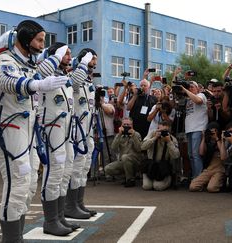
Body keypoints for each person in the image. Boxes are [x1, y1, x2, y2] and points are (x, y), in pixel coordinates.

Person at [0, 20, 68, 242]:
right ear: (26, 39)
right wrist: (35, 85)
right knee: (18, 180)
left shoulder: (29, 66)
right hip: (4, 125)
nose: (41, 45)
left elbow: (38, 74)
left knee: (28, 184)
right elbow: (7, 81)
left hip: (24, 128)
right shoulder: (5, 61)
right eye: (39, 40)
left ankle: (16, 234)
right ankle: (11, 239)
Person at [35, 42, 80, 235]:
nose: (70, 57)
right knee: (54, 171)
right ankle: (50, 220)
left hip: (66, 130)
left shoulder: (65, 76)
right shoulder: (46, 73)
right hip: (52, 128)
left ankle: (60, 216)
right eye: (66, 54)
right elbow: (40, 72)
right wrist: (55, 55)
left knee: (65, 169)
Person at [65, 48, 98, 220]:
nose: (95, 63)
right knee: (77, 166)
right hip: (76, 129)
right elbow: (74, 85)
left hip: (88, 129)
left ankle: (78, 202)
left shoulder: (89, 82)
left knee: (84, 167)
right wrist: (82, 64)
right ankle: (70, 206)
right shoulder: (74, 78)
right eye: (92, 60)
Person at [104, 117, 144, 187]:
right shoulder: (119, 135)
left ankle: (130, 180)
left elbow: (139, 149)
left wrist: (133, 136)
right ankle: (125, 175)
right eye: (124, 124)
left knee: (125, 157)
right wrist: (119, 135)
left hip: (136, 162)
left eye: (128, 125)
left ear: (132, 125)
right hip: (123, 161)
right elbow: (113, 148)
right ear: (121, 126)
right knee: (107, 169)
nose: (126, 126)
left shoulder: (136, 134)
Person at [141, 121, 180, 191]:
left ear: (169, 132)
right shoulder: (152, 134)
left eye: (165, 131)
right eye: (160, 130)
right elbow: (142, 147)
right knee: (147, 186)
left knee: (157, 187)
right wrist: (154, 138)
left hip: (163, 168)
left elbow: (176, 155)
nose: (162, 133)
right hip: (151, 166)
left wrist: (169, 142)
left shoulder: (172, 139)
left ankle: (169, 179)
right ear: (157, 129)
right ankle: (151, 180)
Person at [189, 122, 226, 192]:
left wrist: (217, 139)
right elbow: (201, 152)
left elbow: (223, 155)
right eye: (210, 131)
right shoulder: (208, 141)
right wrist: (203, 138)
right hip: (208, 169)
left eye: (214, 131)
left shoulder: (222, 140)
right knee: (193, 187)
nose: (212, 133)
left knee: (211, 188)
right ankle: (209, 182)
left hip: (219, 169)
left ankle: (218, 182)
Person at [182, 81, 208, 179]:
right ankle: (194, 177)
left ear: (198, 88)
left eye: (192, 87)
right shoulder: (188, 98)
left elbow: (198, 101)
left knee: (196, 154)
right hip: (189, 129)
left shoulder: (201, 95)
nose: (190, 88)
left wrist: (185, 89)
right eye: (189, 87)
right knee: (190, 155)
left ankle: (198, 178)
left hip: (198, 128)